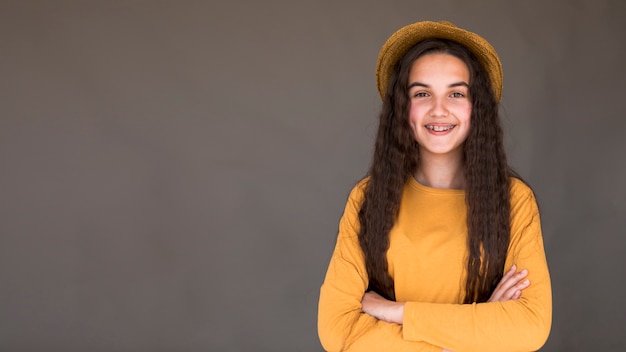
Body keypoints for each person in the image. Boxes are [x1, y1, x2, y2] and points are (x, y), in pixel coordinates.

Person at [317, 21, 552, 352]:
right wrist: (472, 333)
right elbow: (337, 331)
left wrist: (397, 313)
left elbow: (530, 327)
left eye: (456, 94)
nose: (439, 110)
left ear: (476, 109)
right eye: (422, 93)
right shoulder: (367, 199)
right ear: (403, 109)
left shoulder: (515, 201)